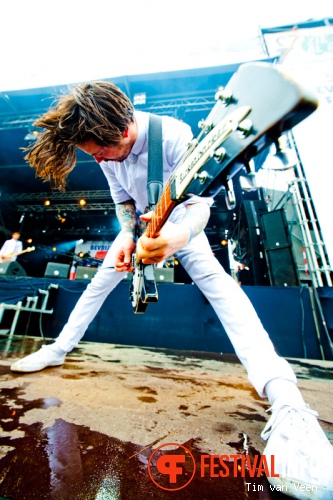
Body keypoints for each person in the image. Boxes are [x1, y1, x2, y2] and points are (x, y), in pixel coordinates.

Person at [10, 81, 332, 498]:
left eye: (99, 152)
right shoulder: (106, 145)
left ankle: (288, 402)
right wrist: (127, 235)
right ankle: (56, 350)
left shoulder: (175, 135)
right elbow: (123, 201)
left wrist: (175, 240)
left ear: (124, 131)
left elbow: (200, 205)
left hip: (179, 224)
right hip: (144, 226)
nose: (99, 159)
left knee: (222, 289)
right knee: (95, 287)